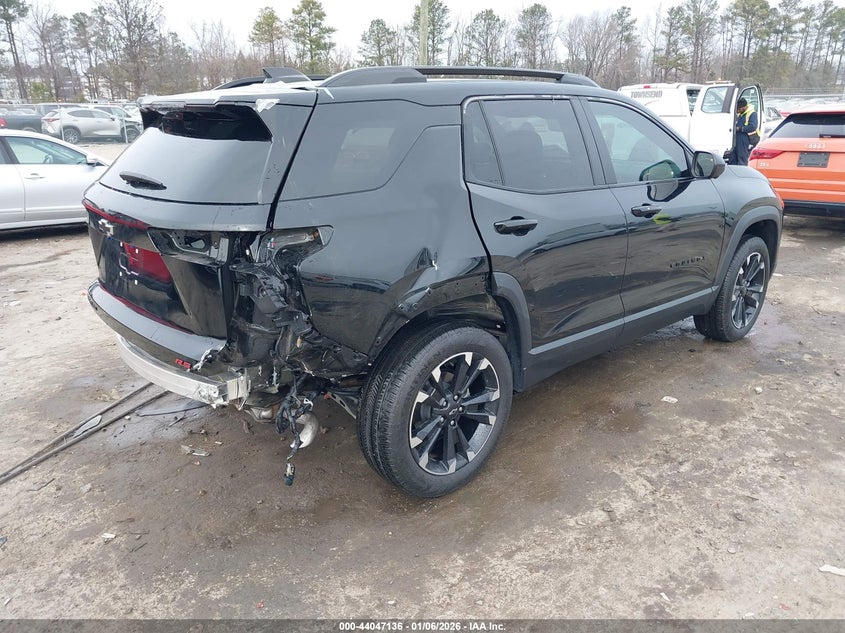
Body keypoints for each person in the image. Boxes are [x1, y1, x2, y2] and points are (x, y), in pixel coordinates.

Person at [728, 98, 759, 166]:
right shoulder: (741, 114)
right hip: (737, 138)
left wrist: (740, 129)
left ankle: (742, 174)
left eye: (739, 109)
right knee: (733, 158)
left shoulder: (752, 113)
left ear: (744, 107)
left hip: (744, 138)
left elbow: (753, 126)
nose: (738, 111)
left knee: (742, 158)